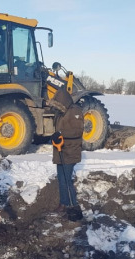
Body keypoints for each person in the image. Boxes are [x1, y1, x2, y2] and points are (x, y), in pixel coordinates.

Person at [49, 87, 84, 221]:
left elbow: (77, 131)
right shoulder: (61, 111)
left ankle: (72, 205)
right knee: (61, 178)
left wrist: (61, 135)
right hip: (61, 150)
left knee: (66, 179)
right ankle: (63, 204)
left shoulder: (75, 111)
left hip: (71, 150)